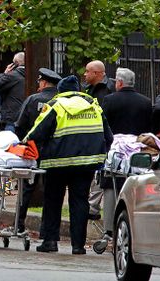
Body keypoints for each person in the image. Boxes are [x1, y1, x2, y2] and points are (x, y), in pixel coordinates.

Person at [25, 75, 113, 254]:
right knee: (80, 201)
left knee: (53, 200)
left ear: (60, 91)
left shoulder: (55, 106)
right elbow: (109, 136)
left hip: (57, 163)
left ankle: (50, 241)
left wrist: (23, 144)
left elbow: (36, 133)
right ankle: (78, 246)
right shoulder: (94, 106)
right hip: (86, 164)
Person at [99, 67, 152, 240]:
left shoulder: (109, 100)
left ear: (120, 82)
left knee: (110, 188)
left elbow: (103, 126)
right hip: (136, 154)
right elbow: (148, 129)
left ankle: (109, 229)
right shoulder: (145, 102)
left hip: (115, 153)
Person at [14, 67, 61, 233]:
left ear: (44, 82)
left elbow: (19, 126)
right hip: (54, 151)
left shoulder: (33, 99)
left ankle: (18, 224)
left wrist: (25, 143)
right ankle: (46, 229)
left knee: (26, 188)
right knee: (52, 190)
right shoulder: (61, 101)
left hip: (32, 151)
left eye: (39, 82)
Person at [84, 60, 115, 220]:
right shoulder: (88, 89)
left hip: (104, 137)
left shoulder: (109, 89)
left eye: (88, 71)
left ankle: (92, 207)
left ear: (96, 73)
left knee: (99, 173)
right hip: (91, 136)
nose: (85, 74)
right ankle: (91, 205)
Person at [0, 52, 26, 132]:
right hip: (25, 117)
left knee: (10, 143)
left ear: (15, 64)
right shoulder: (32, 75)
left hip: (11, 118)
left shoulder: (12, 76)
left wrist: (5, 73)